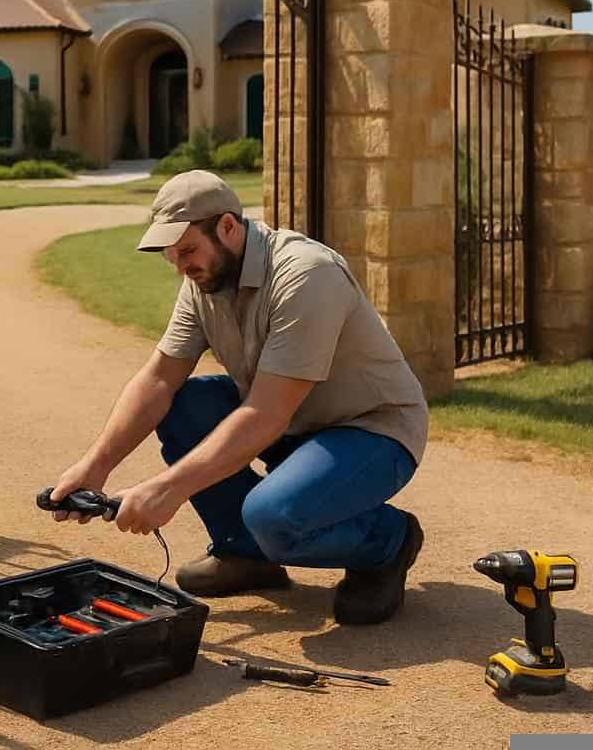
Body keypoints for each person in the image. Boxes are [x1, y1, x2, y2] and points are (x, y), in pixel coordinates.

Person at [50, 170, 429, 624]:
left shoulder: (306, 275)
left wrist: (166, 490)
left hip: (372, 432)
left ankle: (388, 541)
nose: (180, 266)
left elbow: (266, 413)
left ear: (228, 226)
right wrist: (95, 467)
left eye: (187, 250)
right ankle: (247, 555)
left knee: (273, 515)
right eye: (172, 255)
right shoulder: (202, 282)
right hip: (294, 427)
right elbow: (157, 381)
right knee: (184, 406)